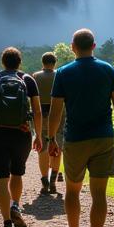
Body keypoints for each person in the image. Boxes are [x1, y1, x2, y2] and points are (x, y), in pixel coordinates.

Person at [47, 28, 114, 227]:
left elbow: (56, 111)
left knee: (72, 191)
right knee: (99, 194)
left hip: (75, 139)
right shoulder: (108, 69)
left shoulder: (62, 73)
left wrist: (51, 138)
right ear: (94, 46)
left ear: (73, 47)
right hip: (103, 138)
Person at [0, 47, 43, 227]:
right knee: (17, 172)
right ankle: (15, 205)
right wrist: (38, 135)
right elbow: (37, 111)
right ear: (19, 62)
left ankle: (6, 224)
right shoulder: (28, 80)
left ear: (3, 61)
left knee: (1, 179)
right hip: (21, 133)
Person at [33, 52, 64, 194]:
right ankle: (53, 181)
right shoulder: (61, 75)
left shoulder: (36, 76)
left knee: (43, 149)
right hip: (59, 116)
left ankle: (44, 180)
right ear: (55, 62)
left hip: (41, 116)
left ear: (42, 62)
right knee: (57, 148)